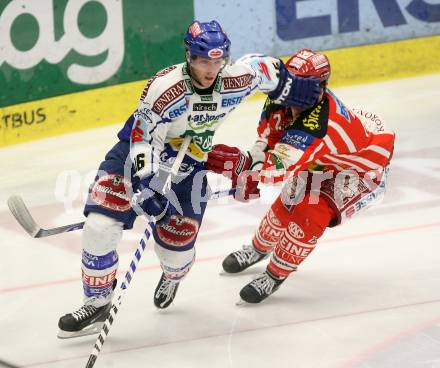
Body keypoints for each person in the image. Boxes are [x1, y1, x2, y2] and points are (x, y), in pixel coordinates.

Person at [57, 21, 323, 338]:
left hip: (190, 164)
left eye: (217, 60)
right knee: (99, 227)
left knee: (176, 251)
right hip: (133, 158)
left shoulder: (237, 77)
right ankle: (97, 304)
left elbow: (270, 72)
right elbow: (142, 140)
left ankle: (172, 275)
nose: (211, 69)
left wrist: (298, 90)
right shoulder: (164, 89)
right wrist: (145, 185)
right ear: (189, 56)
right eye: (203, 61)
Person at [207, 48, 396, 304]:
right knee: (288, 201)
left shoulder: (321, 125)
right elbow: (269, 139)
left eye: (303, 85)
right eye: (291, 81)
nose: (293, 90)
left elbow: (276, 170)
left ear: (320, 86)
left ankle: (275, 275)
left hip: (359, 171)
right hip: (323, 158)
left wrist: (242, 168)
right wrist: (250, 162)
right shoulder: (280, 94)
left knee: (310, 211)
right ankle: (258, 248)